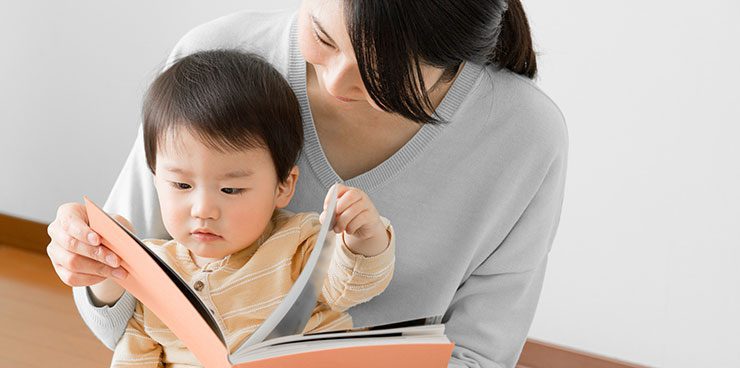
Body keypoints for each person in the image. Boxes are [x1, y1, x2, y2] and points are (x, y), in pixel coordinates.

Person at [46, 1, 568, 367]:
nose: (338, 81)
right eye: (321, 36)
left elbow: (479, 356)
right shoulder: (213, 59)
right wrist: (92, 259)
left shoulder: (522, 136)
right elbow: (124, 319)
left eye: (382, 71)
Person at [109, 49, 395, 367]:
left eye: (231, 189)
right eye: (181, 186)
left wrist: (362, 238)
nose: (203, 209)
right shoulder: (153, 271)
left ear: (283, 186)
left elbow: (351, 287)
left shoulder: (297, 242)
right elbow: (134, 355)